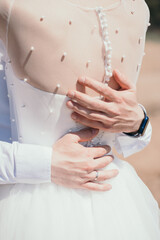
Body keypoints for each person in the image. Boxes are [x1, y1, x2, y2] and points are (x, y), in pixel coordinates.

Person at [0, 0, 159, 239]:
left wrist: (138, 122)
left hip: (100, 199)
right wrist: (45, 164)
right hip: (115, 203)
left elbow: (122, 137)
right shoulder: (137, 7)